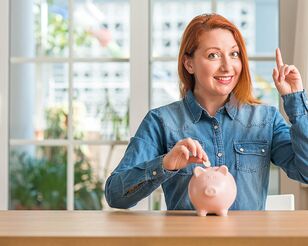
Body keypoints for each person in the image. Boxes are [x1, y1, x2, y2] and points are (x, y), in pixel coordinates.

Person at [105, 14, 308, 210]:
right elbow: (115, 195)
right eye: (213, 55)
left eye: (234, 54)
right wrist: (165, 164)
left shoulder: (266, 120)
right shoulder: (161, 121)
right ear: (189, 63)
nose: (227, 66)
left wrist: (295, 101)